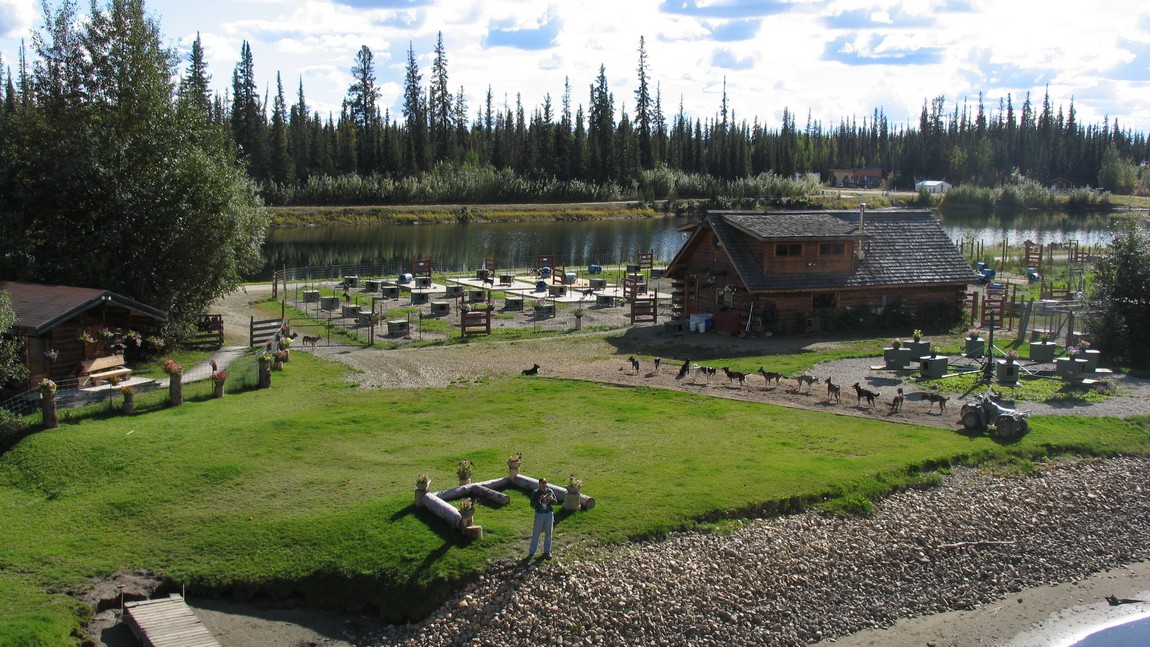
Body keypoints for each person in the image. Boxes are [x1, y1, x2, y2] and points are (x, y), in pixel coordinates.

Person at [528, 477, 555, 559]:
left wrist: (552, 499)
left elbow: (555, 502)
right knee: (536, 533)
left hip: (549, 514)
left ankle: (547, 551)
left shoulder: (550, 491)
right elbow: (532, 505)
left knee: (548, 533)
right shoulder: (535, 493)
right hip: (540, 514)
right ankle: (532, 551)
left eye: (545, 483)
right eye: (542, 483)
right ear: (539, 484)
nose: (544, 485)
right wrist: (539, 501)